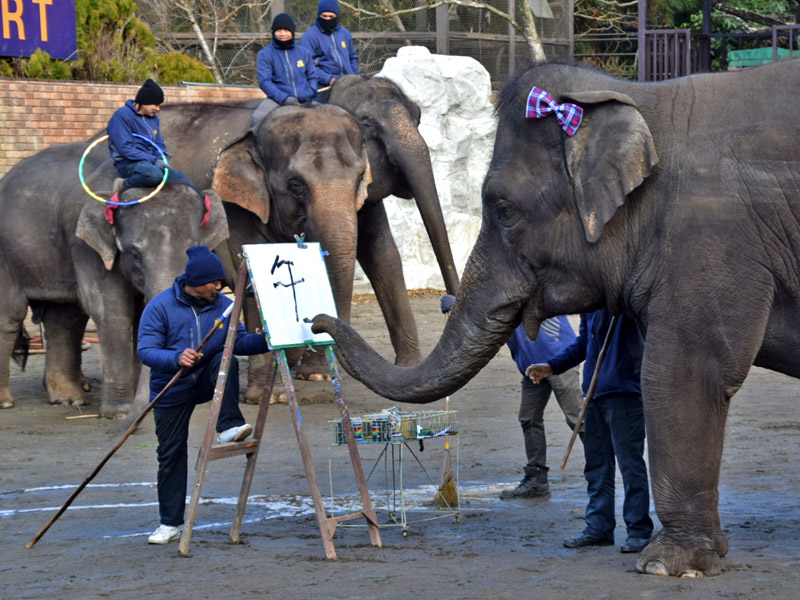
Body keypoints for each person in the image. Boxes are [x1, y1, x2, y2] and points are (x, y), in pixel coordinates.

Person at [137, 245, 269, 545]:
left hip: (209, 380)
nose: (220, 287)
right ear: (195, 282)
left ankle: (228, 426)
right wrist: (175, 358)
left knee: (227, 359)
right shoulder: (160, 307)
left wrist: (270, 341)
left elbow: (241, 342)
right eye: (214, 282)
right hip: (171, 387)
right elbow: (145, 350)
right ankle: (169, 524)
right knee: (170, 454)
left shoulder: (224, 306)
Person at [528, 309, 653, 554]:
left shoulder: (622, 300)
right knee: (597, 467)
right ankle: (599, 528)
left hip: (625, 393)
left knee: (630, 466)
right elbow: (584, 343)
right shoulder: (590, 306)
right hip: (593, 395)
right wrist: (552, 366)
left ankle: (639, 531)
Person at [500, 319, 584, 499]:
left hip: (559, 357)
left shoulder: (527, 291)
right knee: (528, 418)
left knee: (577, 419)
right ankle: (536, 480)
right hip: (531, 364)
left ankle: (601, 471)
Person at [107, 79, 199, 195]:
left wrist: (161, 156)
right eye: (155, 104)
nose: (158, 108)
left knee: (181, 178)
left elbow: (158, 143)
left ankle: (204, 200)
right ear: (144, 101)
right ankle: (122, 184)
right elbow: (125, 148)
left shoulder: (154, 119)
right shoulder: (122, 116)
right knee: (154, 175)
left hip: (150, 162)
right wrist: (154, 160)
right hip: (128, 163)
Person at [251, 13, 319, 129]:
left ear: (292, 32)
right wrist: (285, 99)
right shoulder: (265, 54)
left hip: (305, 99)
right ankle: (250, 144)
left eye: (286, 30)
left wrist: (312, 91)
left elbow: (312, 75)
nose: (282, 34)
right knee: (258, 117)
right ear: (273, 32)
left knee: (330, 115)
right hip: (277, 100)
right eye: (279, 30)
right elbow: (265, 82)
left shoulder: (303, 53)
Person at [300, 0, 359, 88]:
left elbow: (353, 57)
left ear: (337, 16)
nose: (327, 19)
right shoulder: (309, 36)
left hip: (349, 82)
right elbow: (307, 66)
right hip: (324, 85)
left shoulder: (345, 33)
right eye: (324, 16)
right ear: (319, 15)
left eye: (331, 16)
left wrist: (355, 76)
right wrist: (328, 79)